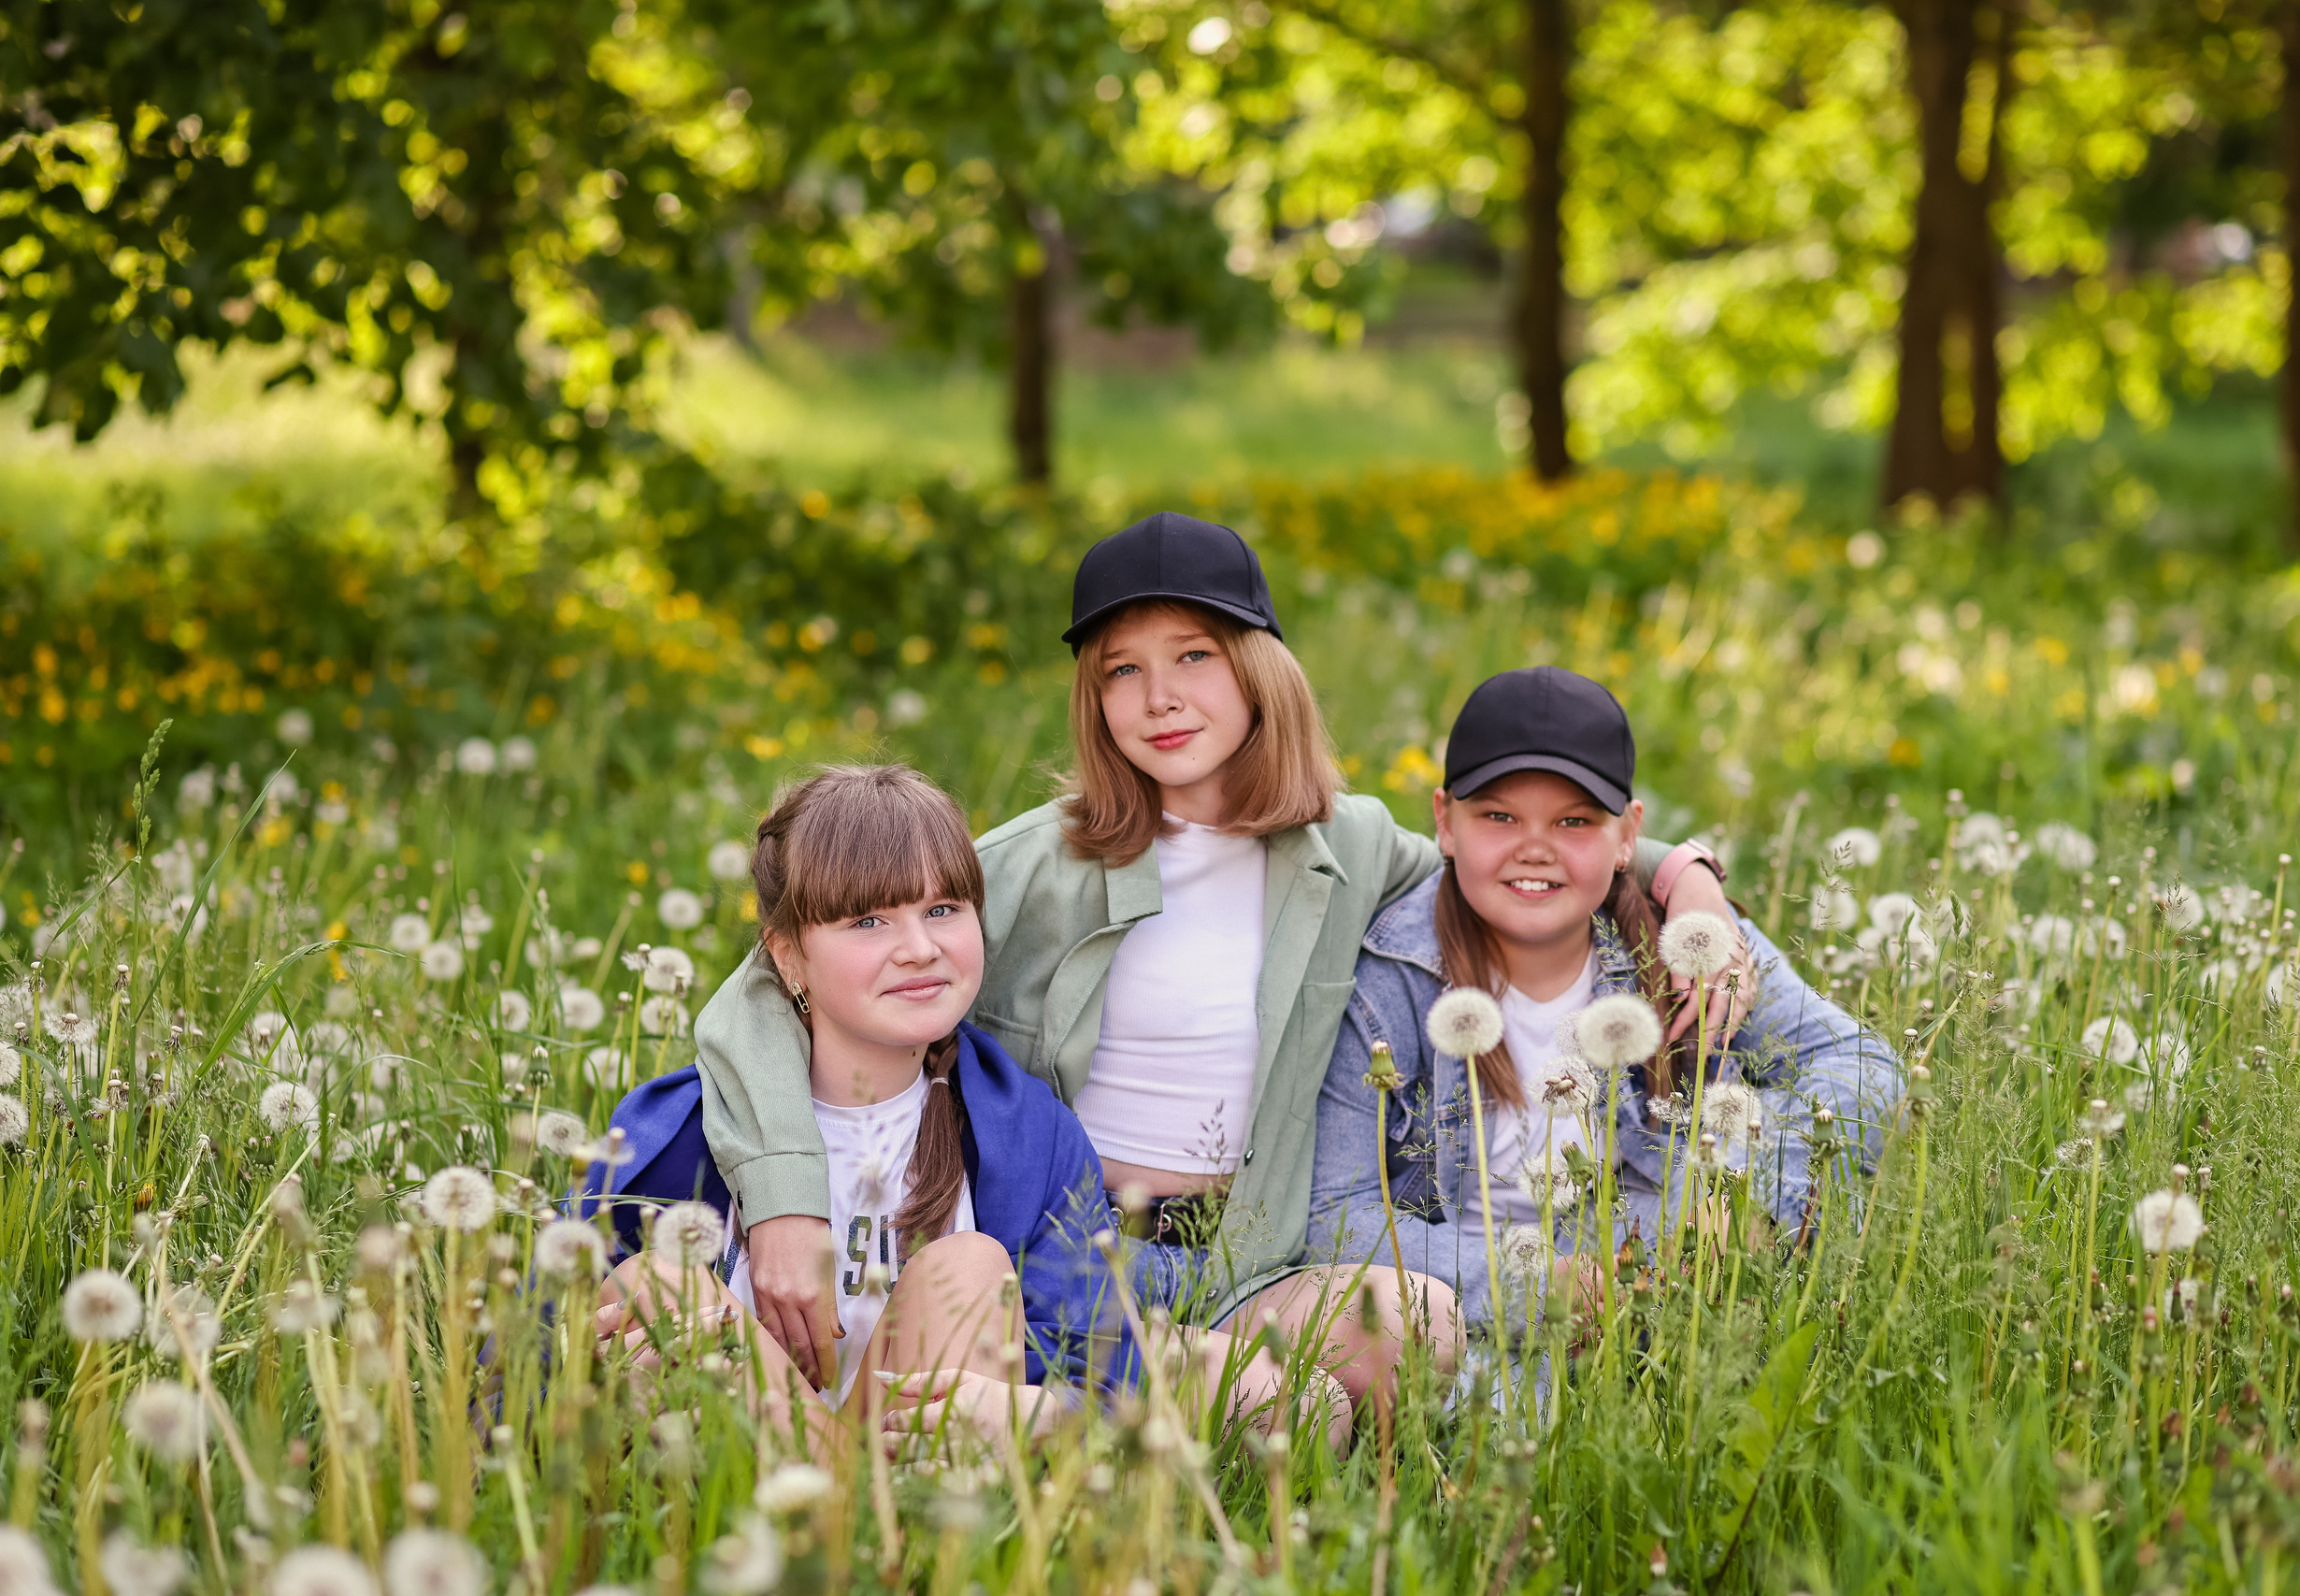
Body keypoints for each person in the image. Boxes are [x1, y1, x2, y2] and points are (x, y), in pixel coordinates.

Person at [692, 513, 1751, 1418]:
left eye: (1194, 656)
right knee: (1224, 1407)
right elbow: (759, 994)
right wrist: (785, 1200)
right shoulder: (1027, 864)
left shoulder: (1345, 844)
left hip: (1255, 1256)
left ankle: (1361, 1544)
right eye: (1122, 670)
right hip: (1077, 1252)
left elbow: (1509, 847)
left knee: (1406, 1324)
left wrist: (1688, 879)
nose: (1160, 697)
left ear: (1258, 671)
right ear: (1094, 698)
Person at [588, 765, 1297, 1444]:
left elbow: (1092, 1362)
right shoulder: (683, 1128)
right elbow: (532, 1342)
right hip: (745, 1473)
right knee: (653, 1282)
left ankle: (870, 1525)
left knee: (971, 1267)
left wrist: (1030, 1409)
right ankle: (842, 1508)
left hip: (927, 1468)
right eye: (868, 921)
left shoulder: (1026, 1134)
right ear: (788, 955)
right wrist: (596, 1363)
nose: (920, 948)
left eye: (942, 909)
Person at [1307, 667, 1903, 1326]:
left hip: (1666, 1284)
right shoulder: (1388, 977)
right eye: (1499, 816)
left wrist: (1738, 1196)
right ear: (1446, 822)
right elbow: (1338, 1215)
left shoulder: (1692, 945)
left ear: (1627, 835)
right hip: (1472, 1309)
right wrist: (1549, 1287)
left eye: (1573, 821)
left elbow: (1865, 1070)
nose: (1535, 849)